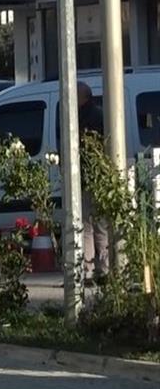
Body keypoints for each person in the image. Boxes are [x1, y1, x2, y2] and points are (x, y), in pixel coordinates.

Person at [78, 82, 110, 281]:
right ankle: (103, 269)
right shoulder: (99, 114)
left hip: (87, 176)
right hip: (98, 176)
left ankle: (88, 270)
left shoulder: (84, 117)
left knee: (88, 225)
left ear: (83, 97)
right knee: (98, 225)